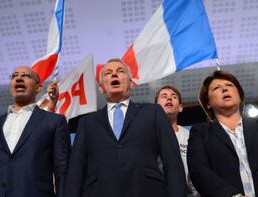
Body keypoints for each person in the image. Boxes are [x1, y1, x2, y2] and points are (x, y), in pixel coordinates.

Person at [65, 58, 187, 197]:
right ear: (101, 87)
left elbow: (172, 162)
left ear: (130, 83)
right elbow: (75, 171)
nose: (114, 75)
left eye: (120, 71)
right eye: (108, 73)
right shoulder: (87, 122)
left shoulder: (153, 112)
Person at [0, 66, 71, 197]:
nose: (19, 78)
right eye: (15, 76)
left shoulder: (54, 122)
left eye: (26, 75)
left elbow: (62, 169)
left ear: (38, 87)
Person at [188, 70, 258, 197]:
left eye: (229, 85)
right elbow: (198, 170)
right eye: (216, 88)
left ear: (240, 96)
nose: (224, 89)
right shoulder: (200, 133)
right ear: (208, 103)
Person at [155, 86, 198, 196]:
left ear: (180, 107)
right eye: (164, 96)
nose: (169, 99)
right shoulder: (145, 135)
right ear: (154, 107)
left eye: (173, 97)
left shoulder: (191, 136)